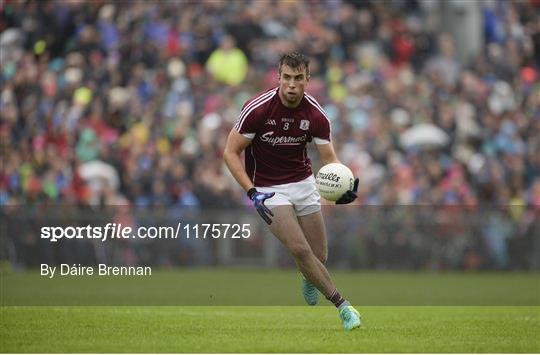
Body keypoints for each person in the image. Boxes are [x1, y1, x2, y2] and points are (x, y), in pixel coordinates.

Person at [223, 52, 361, 331]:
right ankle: (343, 306)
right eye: (287, 77)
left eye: (298, 78)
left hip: (303, 183)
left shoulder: (316, 115)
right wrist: (252, 192)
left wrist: (346, 187)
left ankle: (308, 277)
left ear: (308, 80)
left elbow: (330, 159)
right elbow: (230, 152)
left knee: (318, 256)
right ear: (279, 77)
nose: (292, 85)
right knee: (299, 249)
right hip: (268, 189)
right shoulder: (258, 109)